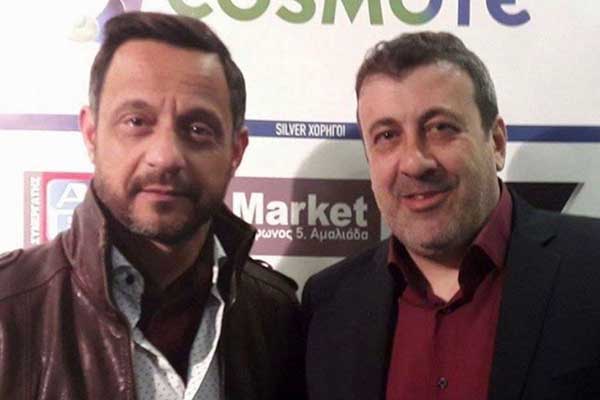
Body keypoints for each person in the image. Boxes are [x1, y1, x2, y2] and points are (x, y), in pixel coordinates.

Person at [0, 12, 304, 400]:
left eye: (198, 129)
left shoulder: (274, 316)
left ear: (236, 151)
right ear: (91, 134)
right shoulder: (8, 308)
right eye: (136, 121)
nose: (164, 156)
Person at [303, 31, 600, 400]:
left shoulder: (591, 265)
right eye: (387, 136)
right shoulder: (329, 304)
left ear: (496, 143)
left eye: (440, 128)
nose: (414, 162)